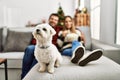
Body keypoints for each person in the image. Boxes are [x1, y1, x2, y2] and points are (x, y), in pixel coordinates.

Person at [21, 13, 62, 79]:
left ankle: (30, 77)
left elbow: (72, 28)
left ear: (57, 22)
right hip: (37, 45)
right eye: (52, 19)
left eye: (55, 20)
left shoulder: (59, 29)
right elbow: (35, 38)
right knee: (29, 49)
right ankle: (24, 76)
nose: (53, 20)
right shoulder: (41, 26)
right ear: (49, 19)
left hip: (49, 47)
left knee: (36, 57)